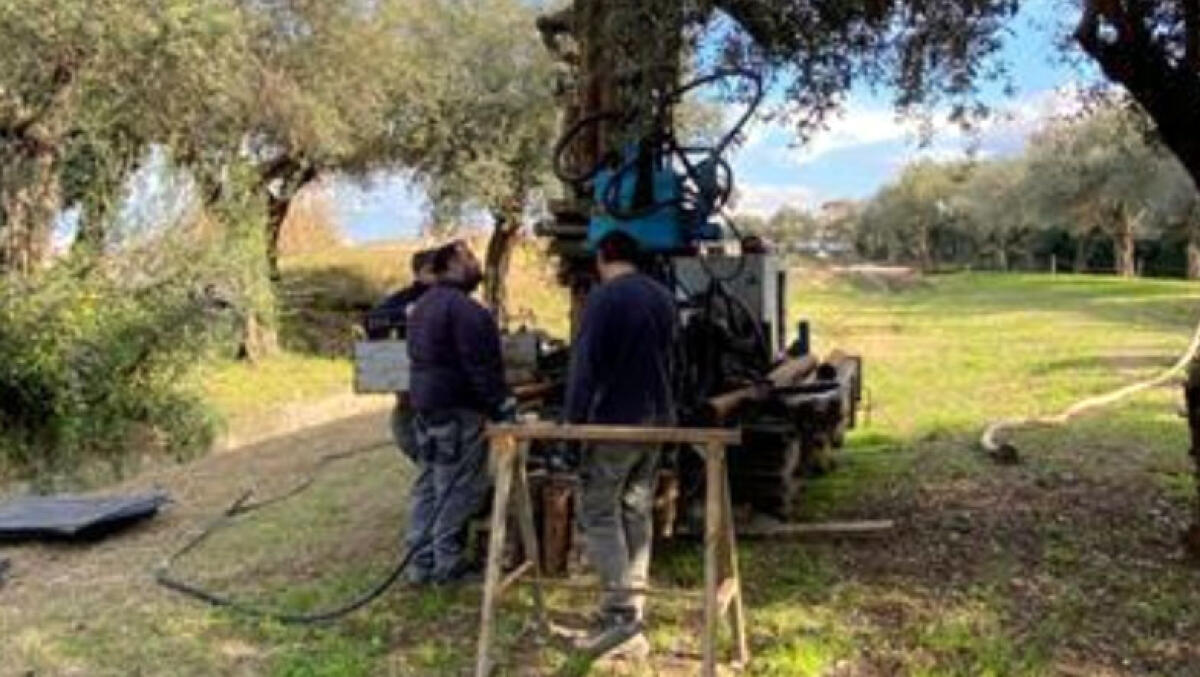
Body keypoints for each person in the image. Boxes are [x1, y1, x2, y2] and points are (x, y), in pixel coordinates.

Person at [564, 230, 677, 657]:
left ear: (602, 256)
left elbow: (585, 365)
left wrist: (572, 425)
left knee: (599, 509)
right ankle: (632, 609)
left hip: (615, 421)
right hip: (658, 421)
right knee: (636, 508)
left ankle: (619, 616)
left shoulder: (605, 298)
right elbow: (675, 361)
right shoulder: (662, 296)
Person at [405, 240, 516, 585]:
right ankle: (447, 566)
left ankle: (420, 563)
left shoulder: (422, 306)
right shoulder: (465, 310)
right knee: (457, 487)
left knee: (429, 484)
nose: (475, 264)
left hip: (426, 407)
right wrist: (501, 405)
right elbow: (480, 367)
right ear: (450, 265)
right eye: (468, 258)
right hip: (457, 411)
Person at [364, 249, 437, 461]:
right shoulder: (406, 299)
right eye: (435, 270)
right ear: (421, 273)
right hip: (416, 386)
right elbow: (372, 321)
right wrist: (405, 313)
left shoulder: (454, 296)